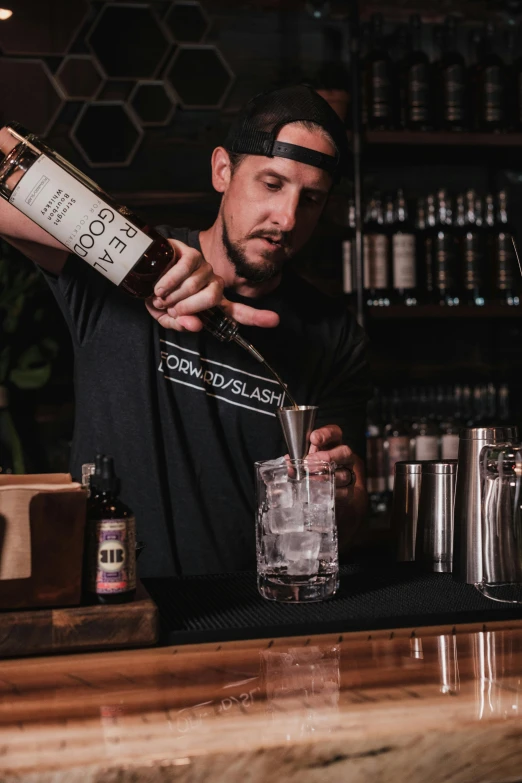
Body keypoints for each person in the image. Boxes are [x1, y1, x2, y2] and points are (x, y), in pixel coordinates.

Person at [0, 85, 370, 577]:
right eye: (272, 184)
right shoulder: (122, 269)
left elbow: (353, 509)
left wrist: (340, 489)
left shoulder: (334, 333)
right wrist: (140, 259)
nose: (286, 218)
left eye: (312, 199)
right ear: (223, 170)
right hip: (119, 598)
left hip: (254, 612)